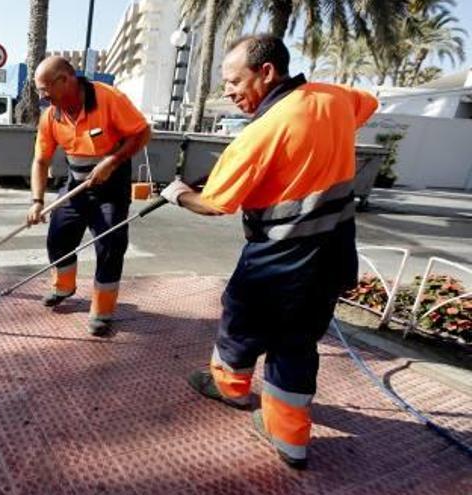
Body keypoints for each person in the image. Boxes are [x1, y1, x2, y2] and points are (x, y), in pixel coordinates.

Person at [159, 34, 379, 469]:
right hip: (334, 253)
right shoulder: (335, 97)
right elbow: (367, 104)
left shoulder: (261, 133)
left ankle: (230, 388)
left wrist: (178, 193)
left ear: (266, 72)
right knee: (298, 341)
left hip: (278, 256)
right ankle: (289, 439)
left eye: (234, 81)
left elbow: (215, 203)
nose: (228, 91)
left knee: (240, 320)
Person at [27, 56, 151, 336]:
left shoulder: (108, 98)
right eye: (39, 90)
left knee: (110, 244)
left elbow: (142, 133)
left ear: (65, 80)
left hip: (111, 186)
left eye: (45, 88)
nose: (42, 96)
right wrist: (37, 201)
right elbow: (40, 161)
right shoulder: (52, 115)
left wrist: (112, 162)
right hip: (76, 183)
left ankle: (102, 310)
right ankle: (64, 287)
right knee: (58, 236)